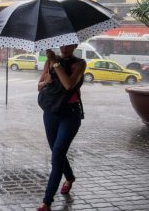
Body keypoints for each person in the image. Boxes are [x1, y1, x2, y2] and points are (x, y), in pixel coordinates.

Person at [37, 44, 86, 211]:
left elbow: (68, 85)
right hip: (50, 112)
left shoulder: (79, 64)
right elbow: (39, 85)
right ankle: (70, 177)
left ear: (75, 45)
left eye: (69, 45)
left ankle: (47, 202)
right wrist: (46, 81)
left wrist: (54, 62)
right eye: (62, 45)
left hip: (70, 115)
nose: (65, 48)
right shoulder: (50, 62)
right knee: (57, 152)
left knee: (57, 154)